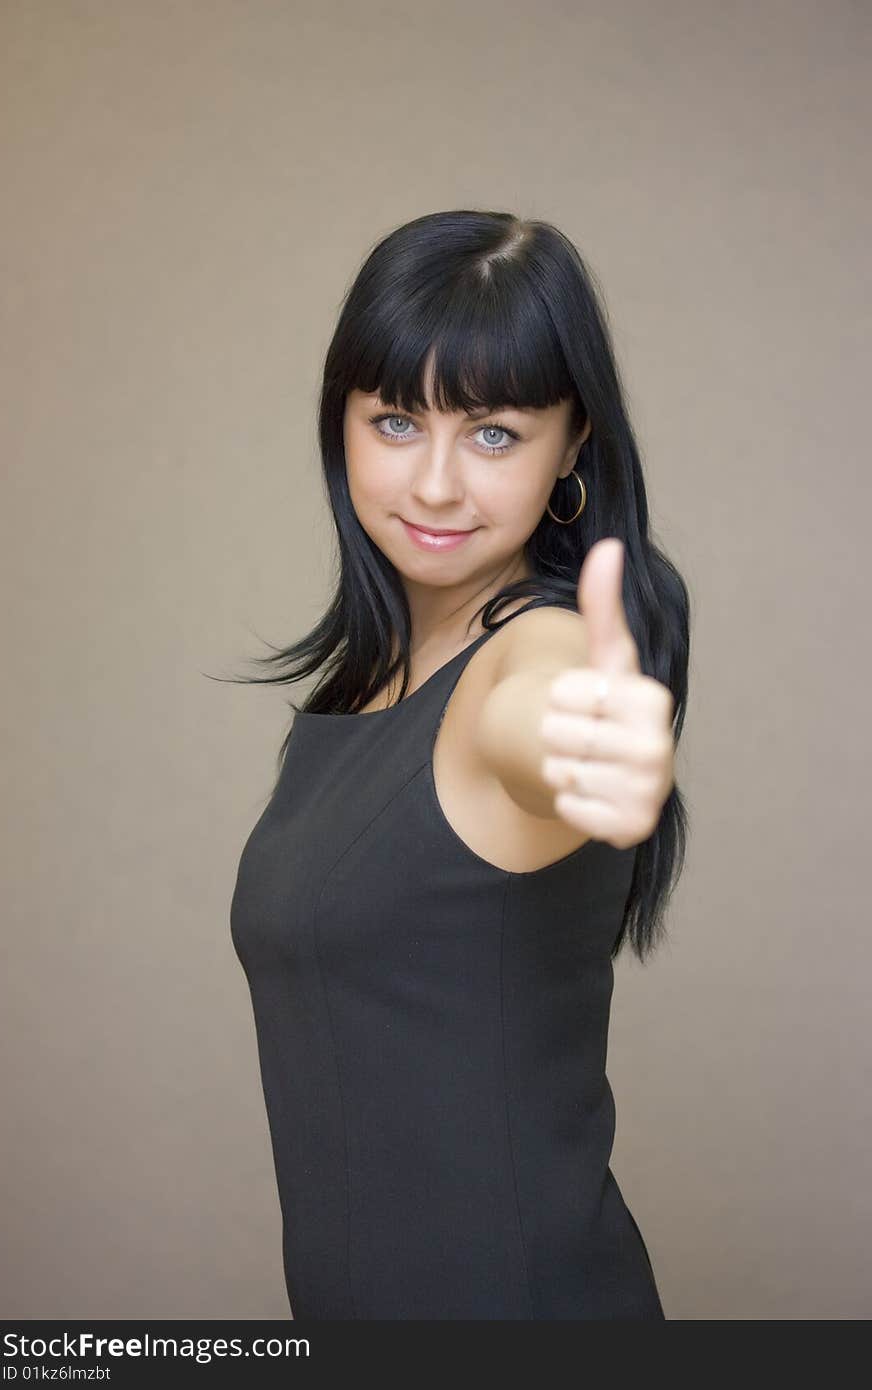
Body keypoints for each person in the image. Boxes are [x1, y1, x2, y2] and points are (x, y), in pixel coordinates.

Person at [227, 209, 690, 1320]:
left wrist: (598, 743)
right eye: (394, 422)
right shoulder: (366, 681)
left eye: (492, 433)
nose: (434, 485)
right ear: (339, 422)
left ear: (572, 440)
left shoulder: (531, 653)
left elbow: (531, 717)